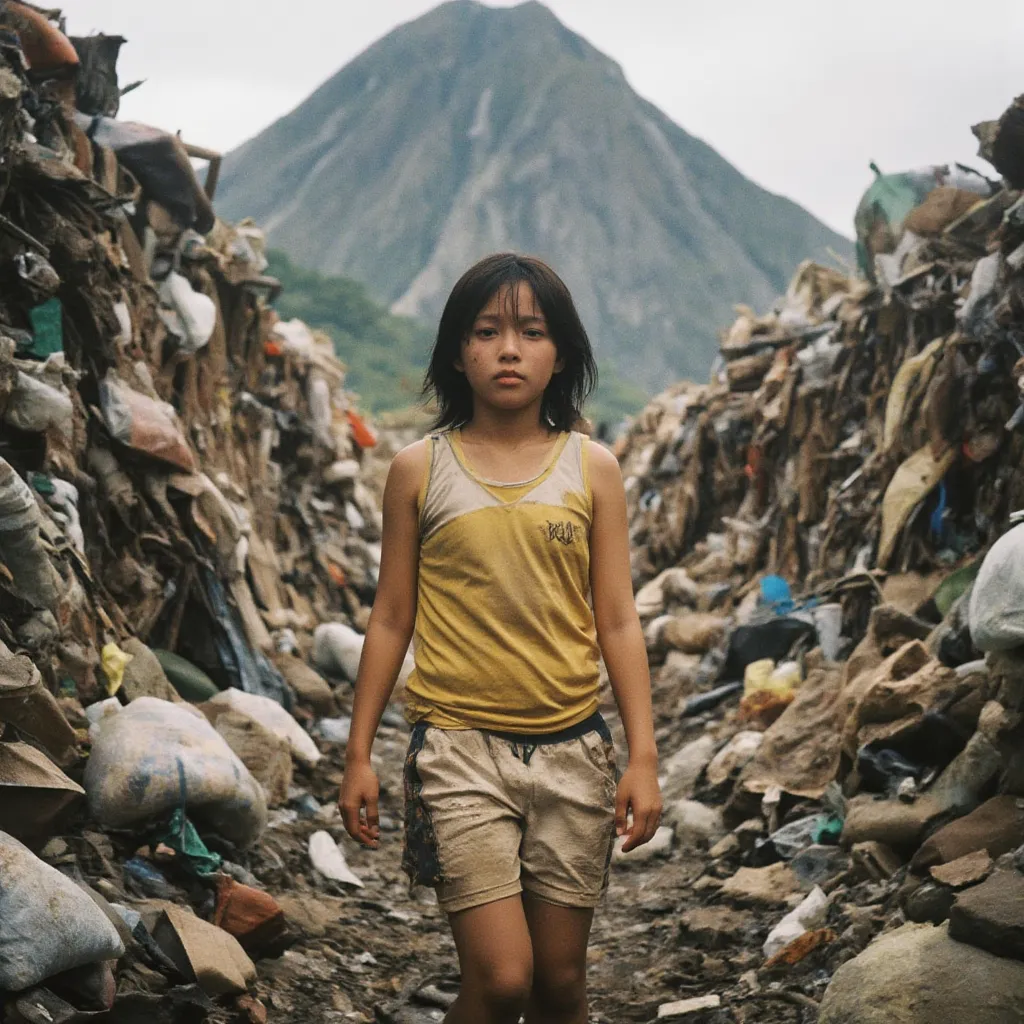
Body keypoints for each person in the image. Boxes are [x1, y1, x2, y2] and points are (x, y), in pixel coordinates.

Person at [339, 253, 662, 1024]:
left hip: (573, 756)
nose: (509, 349)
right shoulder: (420, 470)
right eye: (487, 332)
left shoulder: (595, 469)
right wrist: (358, 754)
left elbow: (617, 620)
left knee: (561, 988)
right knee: (503, 979)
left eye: (531, 332)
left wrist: (643, 756)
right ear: (458, 352)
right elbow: (391, 616)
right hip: (457, 751)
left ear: (562, 355)